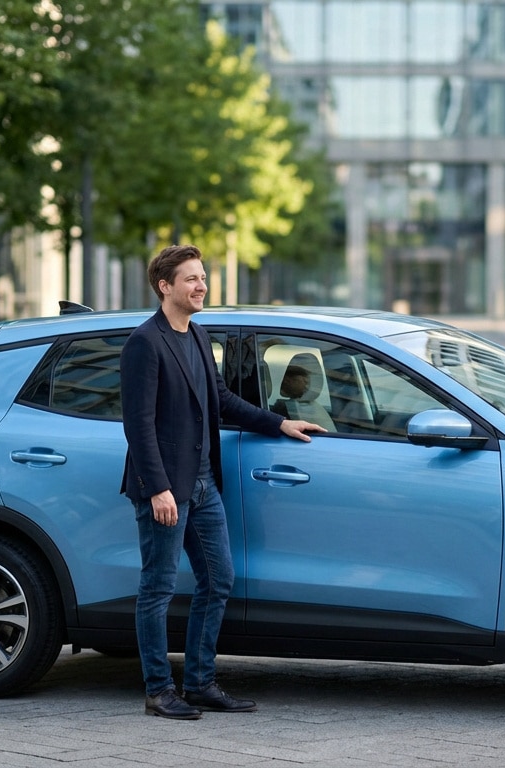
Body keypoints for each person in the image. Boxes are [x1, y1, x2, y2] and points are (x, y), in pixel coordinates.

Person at [119, 244, 326, 720]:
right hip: (167, 488)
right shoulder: (144, 344)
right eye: (190, 278)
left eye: (203, 277)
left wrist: (279, 424)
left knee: (218, 579)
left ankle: (199, 682)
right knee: (158, 587)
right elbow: (139, 424)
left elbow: (221, 399)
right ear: (164, 286)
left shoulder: (196, 335)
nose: (201, 285)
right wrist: (157, 488)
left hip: (203, 483)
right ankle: (158, 690)